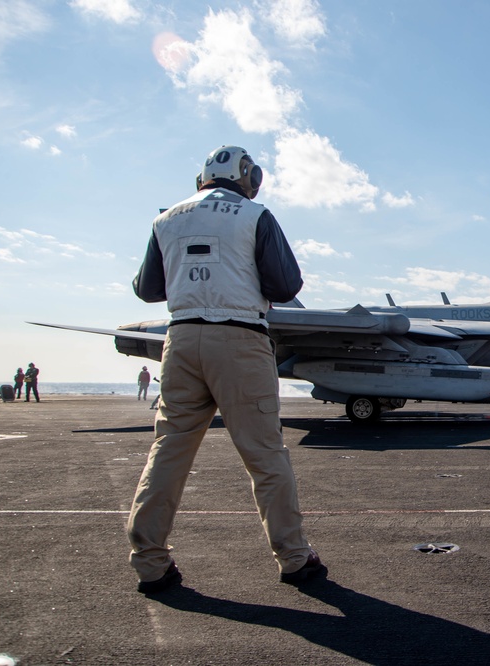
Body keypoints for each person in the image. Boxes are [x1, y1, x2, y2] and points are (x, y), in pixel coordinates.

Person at [127, 144, 321, 595]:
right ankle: (294, 558)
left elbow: (147, 288)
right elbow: (287, 284)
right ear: (247, 175)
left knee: (169, 449)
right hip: (239, 339)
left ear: (203, 177)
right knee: (265, 454)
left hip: (180, 340)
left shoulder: (165, 219)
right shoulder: (256, 216)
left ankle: (149, 562)